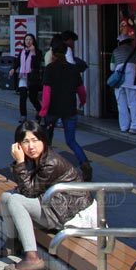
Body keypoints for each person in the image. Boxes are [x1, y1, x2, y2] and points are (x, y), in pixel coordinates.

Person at [0, 120, 93, 270]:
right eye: (25, 142)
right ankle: (12, 242)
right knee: (6, 196)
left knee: (15, 201)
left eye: (35, 140)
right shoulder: (38, 158)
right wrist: (20, 164)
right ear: (18, 145)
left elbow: (29, 192)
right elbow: (29, 188)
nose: (31, 146)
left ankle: (32, 257)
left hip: (69, 213)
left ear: (43, 140)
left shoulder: (51, 162)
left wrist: (20, 163)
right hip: (56, 204)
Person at [39, 39, 92, 180]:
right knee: (71, 140)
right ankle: (85, 164)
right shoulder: (73, 69)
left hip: (53, 109)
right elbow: (81, 90)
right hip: (70, 108)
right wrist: (82, 101)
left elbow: (46, 92)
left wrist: (43, 110)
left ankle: (46, 169)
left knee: (46, 141)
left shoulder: (50, 69)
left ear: (53, 54)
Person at [110, 32, 136, 135]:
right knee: (134, 103)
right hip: (131, 79)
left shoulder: (115, 51)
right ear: (129, 42)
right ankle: (135, 127)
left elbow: (112, 67)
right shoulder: (135, 50)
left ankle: (124, 126)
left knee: (121, 104)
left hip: (118, 81)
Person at [10, 34, 43, 123]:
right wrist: (13, 68)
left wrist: (34, 53)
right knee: (23, 96)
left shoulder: (38, 52)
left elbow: (37, 64)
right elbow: (18, 62)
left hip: (33, 77)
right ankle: (23, 115)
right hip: (23, 75)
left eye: (30, 39)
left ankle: (40, 110)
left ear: (33, 41)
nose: (28, 41)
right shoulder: (23, 51)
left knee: (32, 97)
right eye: (26, 39)